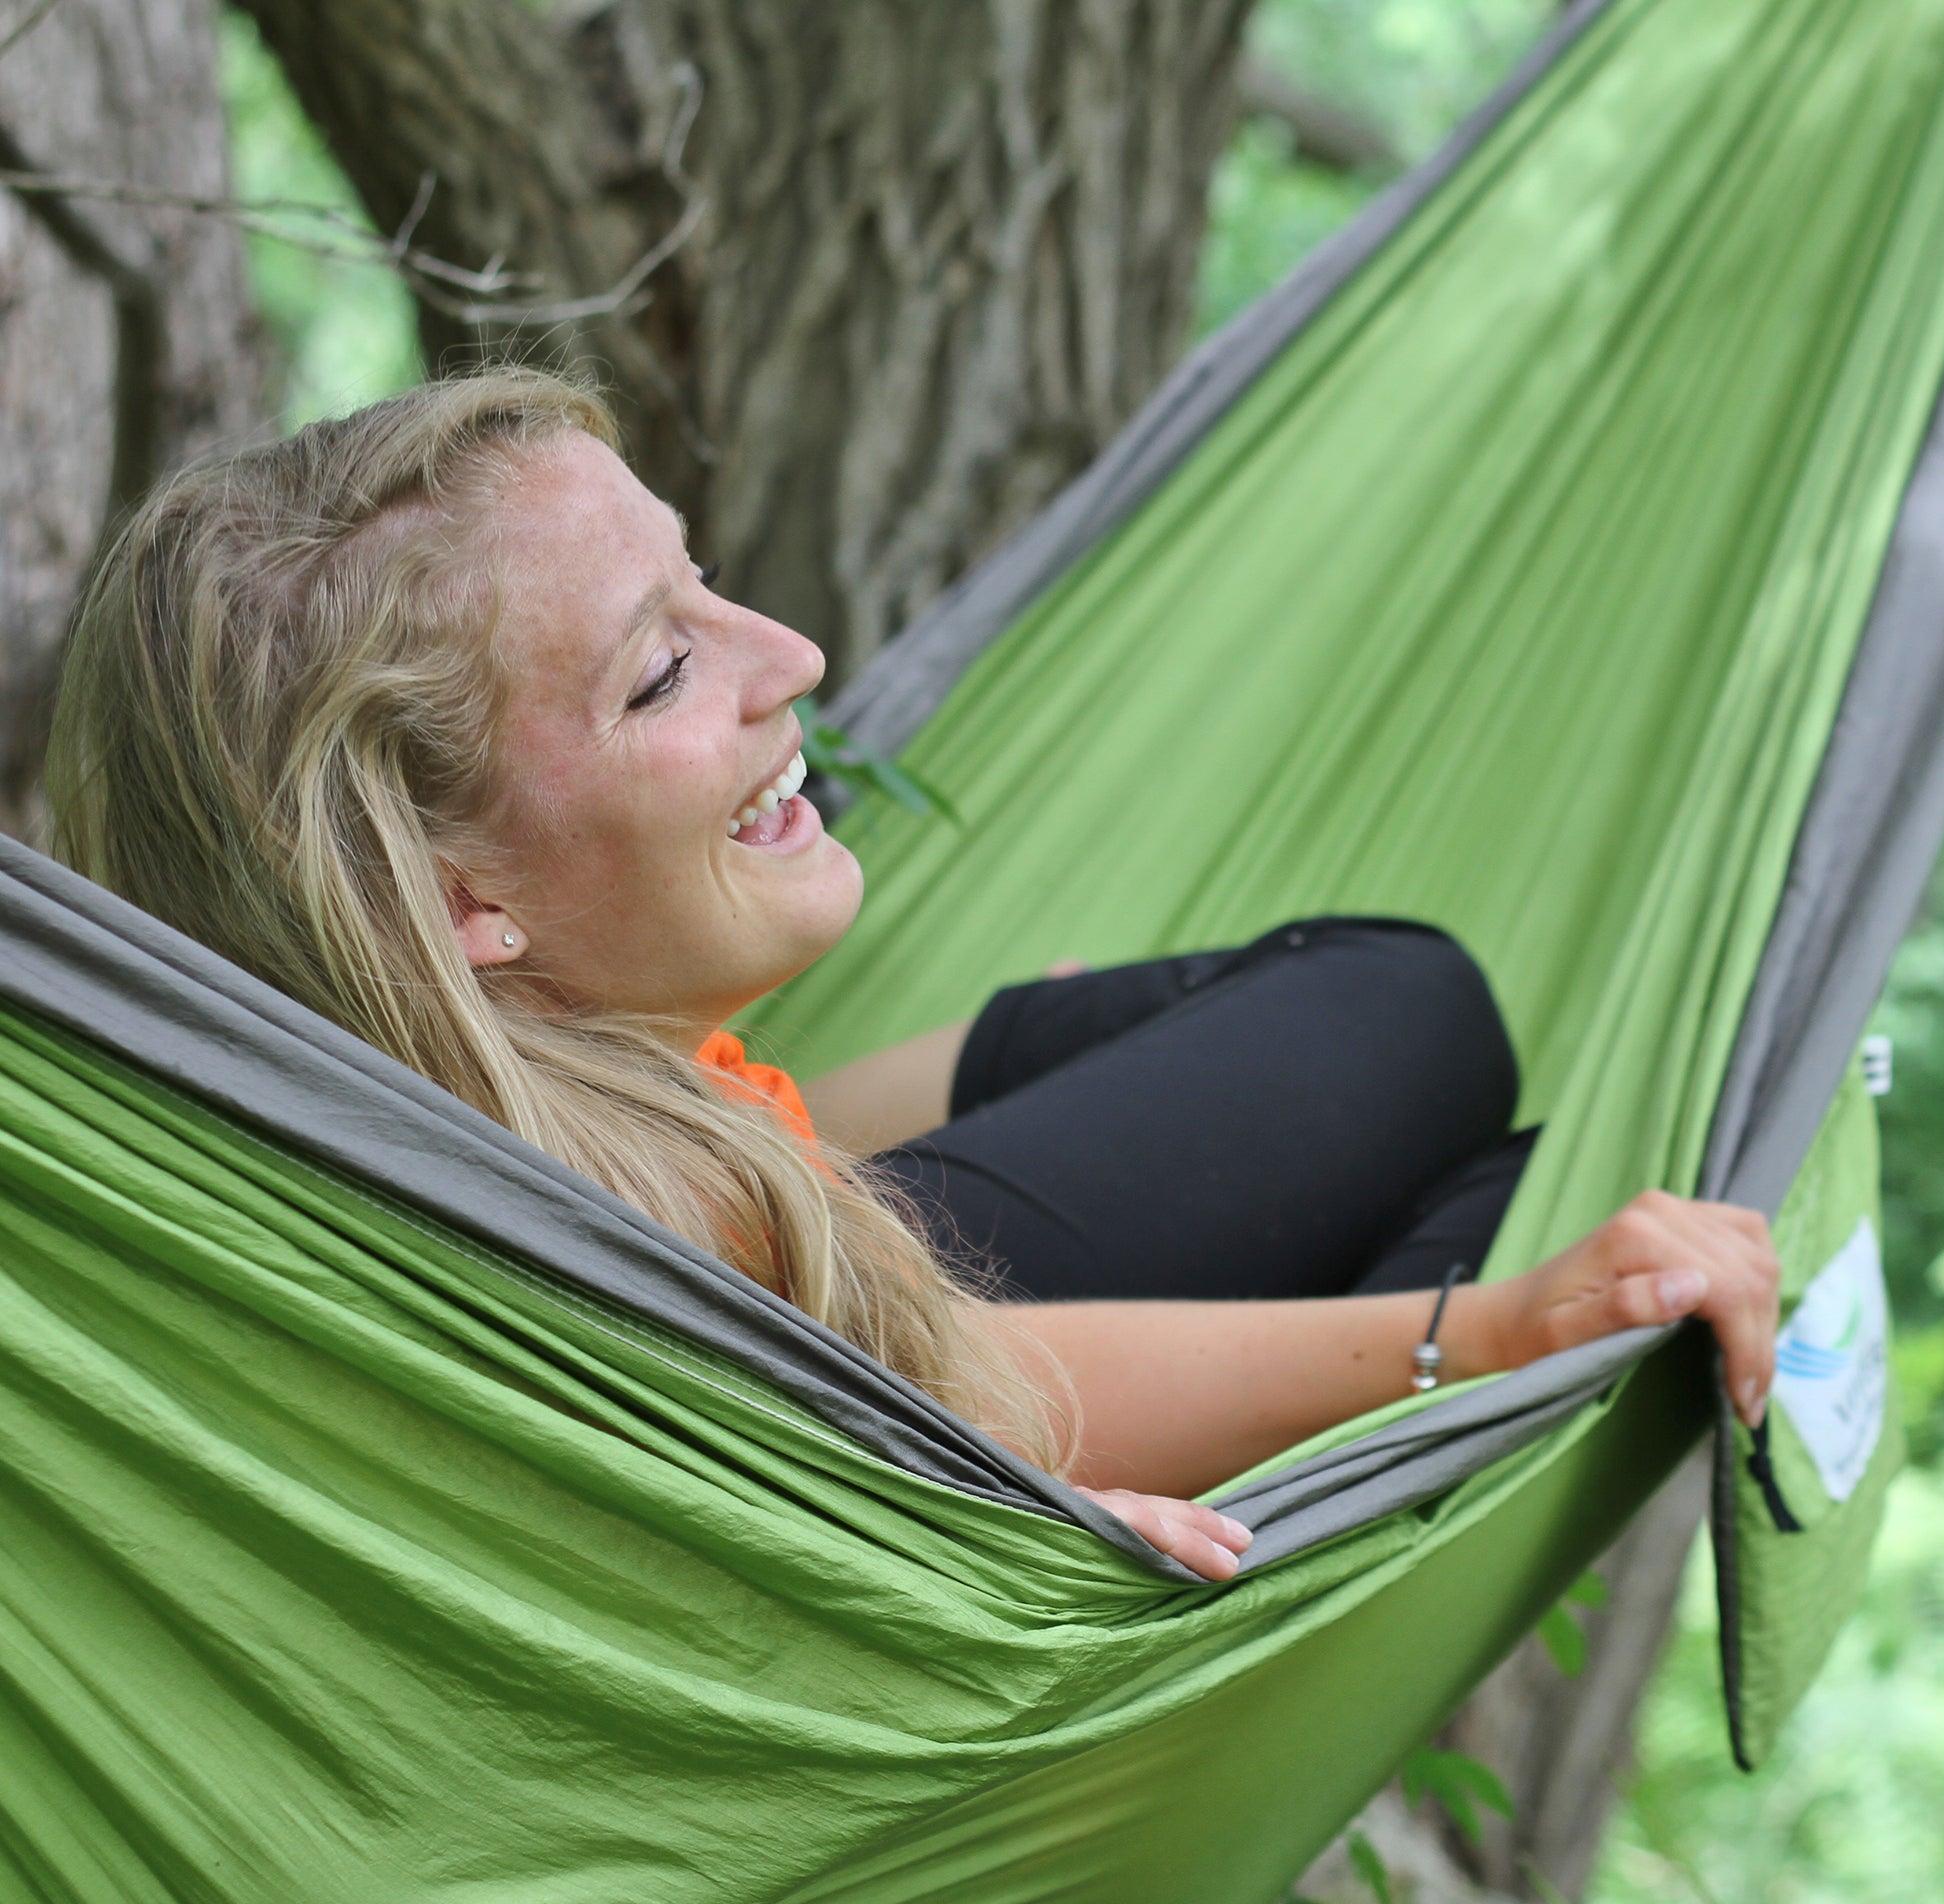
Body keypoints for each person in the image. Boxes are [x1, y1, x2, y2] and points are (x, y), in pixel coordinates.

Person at [45, 369, 1780, 1582]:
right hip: (970, 1370)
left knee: (1388, 1050)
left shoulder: (372, 1134)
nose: (790, 656)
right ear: (460, 901)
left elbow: (764, 1183)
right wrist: (1476, 1339)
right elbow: (952, 1370)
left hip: (874, 1268)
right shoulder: (658, 1260)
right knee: (1446, 1072)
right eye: (659, 673)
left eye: (701, 583)